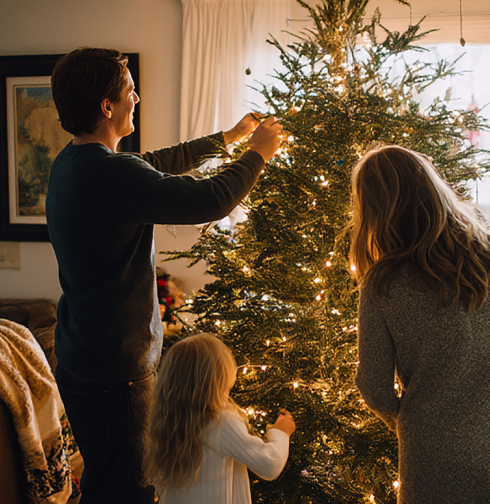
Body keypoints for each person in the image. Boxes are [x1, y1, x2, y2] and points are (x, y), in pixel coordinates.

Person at [47, 47, 284, 503]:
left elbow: (155, 163)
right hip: (116, 369)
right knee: (127, 489)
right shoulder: (111, 174)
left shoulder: (72, 163)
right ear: (106, 107)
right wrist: (257, 155)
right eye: (130, 91)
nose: (137, 97)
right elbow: (208, 200)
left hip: (82, 355)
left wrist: (228, 138)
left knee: (104, 476)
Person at [347, 145, 490, 504]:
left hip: (434, 460)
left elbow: (374, 388)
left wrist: (414, 421)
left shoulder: (382, 285)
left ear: (375, 209)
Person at [144, 333, 295, 504]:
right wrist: (280, 432)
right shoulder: (220, 422)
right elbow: (269, 465)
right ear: (218, 378)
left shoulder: (166, 419)